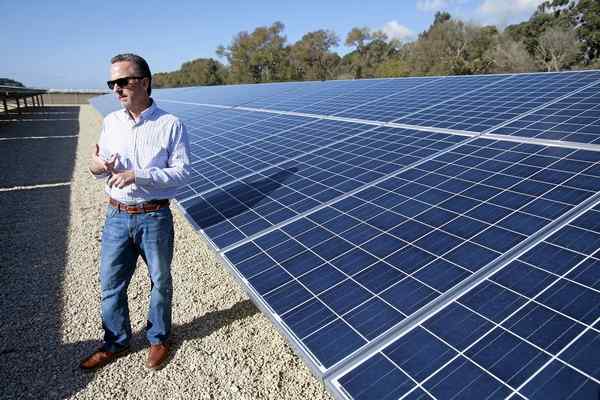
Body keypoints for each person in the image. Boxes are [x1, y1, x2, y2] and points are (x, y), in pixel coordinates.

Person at [81, 53, 191, 371]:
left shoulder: (170, 125)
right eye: (111, 83)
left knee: (160, 281)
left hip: (154, 216)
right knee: (111, 283)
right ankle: (115, 340)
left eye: (122, 82)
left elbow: (183, 174)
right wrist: (98, 166)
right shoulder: (112, 122)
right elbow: (95, 167)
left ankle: (159, 338)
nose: (116, 89)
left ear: (144, 82)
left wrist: (138, 175)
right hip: (116, 216)